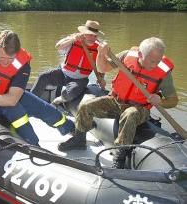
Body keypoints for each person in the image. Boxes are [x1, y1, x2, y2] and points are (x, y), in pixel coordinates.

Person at [58, 37, 178, 168]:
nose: (155, 65)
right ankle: (79, 139)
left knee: (130, 114)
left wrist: (160, 100)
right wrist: (101, 53)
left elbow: (173, 101)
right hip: (116, 101)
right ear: (140, 54)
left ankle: (120, 156)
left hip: (139, 109)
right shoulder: (127, 56)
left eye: (159, 60)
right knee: (86, 106)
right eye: (152, 61)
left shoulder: (163, 73)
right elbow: (102, 68)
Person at [0, 27, 75, 146]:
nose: (6, 62)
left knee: (45, 109)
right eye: (2, 57)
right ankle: (34, 146)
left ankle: (72, 129)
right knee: (17, 113)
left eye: (11, 59)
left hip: (7, 96)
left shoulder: (23, 65)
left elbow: (11, 99)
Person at [31, 20, 106, 106]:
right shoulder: (73, 39)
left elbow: (101, 67)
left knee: (72, 91)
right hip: (63, 74)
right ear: (84, 33)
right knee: (43, 77)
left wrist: (101, 79)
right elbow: (58, 46)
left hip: (80, 79)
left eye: (95, 36)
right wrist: (73, 39)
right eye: (90, 35)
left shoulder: (99, 48)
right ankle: (31, 101)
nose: (93, 38)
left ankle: (59, 100)